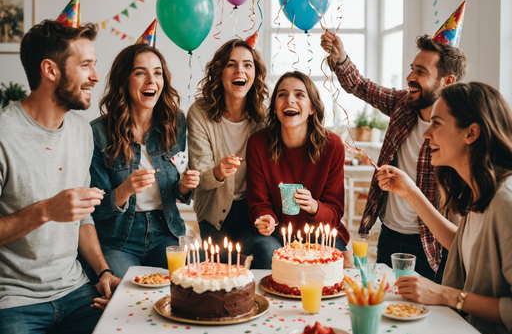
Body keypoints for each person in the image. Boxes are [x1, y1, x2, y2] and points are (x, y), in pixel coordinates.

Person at [0, 19, 120, 334]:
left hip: (75, 291)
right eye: (86, 65)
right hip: (14, 300)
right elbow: (57, 210)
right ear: (50, 70)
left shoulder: (81, 132)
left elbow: (81, 216)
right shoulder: (5, 135)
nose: (96, 76)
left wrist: (102, 272)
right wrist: (44, 211)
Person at [376, 82, 512, 334]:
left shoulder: (505, 202)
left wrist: (445, 295)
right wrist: (410, 192)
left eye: (436, 123)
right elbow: (461, 244)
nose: (426, 133)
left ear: (471, 133)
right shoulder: (481, 193)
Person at [320, 29, 468, 282]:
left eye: (421, 72)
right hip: (389, 234)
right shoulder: (402, 104)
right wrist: (341, 57)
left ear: (448, 81)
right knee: (387, 308)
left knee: (428, 316)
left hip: (432, 245)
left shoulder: (462, 133)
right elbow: (360, 86)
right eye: (412, 68)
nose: (410, 77)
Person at [89, 43, 199, 279]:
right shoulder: (99, 132)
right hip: (119, 239)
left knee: (190, 285)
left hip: (166, 231)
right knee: (126, 297)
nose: (151, 80)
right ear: (124, 80)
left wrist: (185, 187)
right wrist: (126, 189)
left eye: (157, 72)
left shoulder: (175, 122)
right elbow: (96, 210)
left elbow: (176, 192)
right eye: (140, 72)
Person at [246, 71, 354, 269]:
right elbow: (259, 203)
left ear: (312, 107)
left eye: (299, 94)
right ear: (276, 108)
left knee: (341, 262)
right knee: (264, 249)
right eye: (282, 94)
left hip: (320, 233)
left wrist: (314, 206)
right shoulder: (258, 144)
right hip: (278, 235)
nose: (290, 100)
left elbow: (335, 212)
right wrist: (265, 218)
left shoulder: (332, 146)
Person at [187, 38, 268, 266]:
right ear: (220, 71)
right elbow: (201, 180)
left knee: (267, 250)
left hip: (252, 211)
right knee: (222, 264)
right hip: (214, 213)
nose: (239, 70)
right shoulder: (199, 113)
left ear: (255, 74)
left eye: (247, 65)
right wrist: (218, 172)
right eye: (231, 64)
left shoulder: (264, 118)